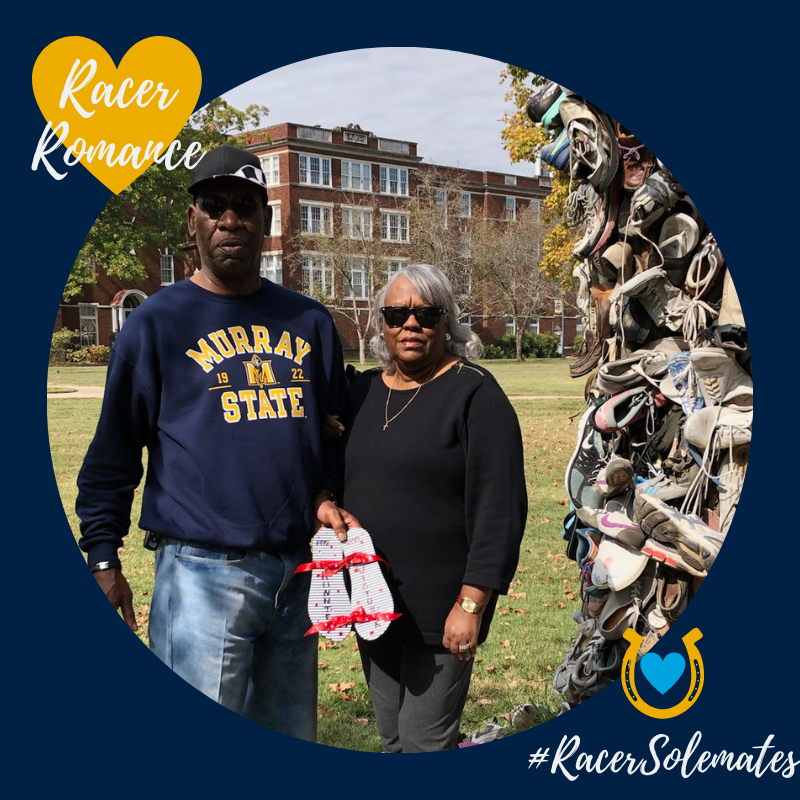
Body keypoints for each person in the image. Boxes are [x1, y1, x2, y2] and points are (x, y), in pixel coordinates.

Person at [76, 145, 358, 741]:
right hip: (200, 572)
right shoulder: (156, 323)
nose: (231, 220)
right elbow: (113, 452)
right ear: (192, 221)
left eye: (245, 207)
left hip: (297, 572)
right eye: (215, 207)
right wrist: (103, 556)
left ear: (268, 220)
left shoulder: (309, 323)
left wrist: (327, 488)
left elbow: (333, 429)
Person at [340, 264, 527, 752]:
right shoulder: (361, 392)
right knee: (393, 739)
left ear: (447, 322)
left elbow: (500, 508)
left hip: (442, 608)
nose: (411, 324)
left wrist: (471, 603)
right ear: (381, 322)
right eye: (397, 313)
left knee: (426, 740)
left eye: (426, 313)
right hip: (373, 599)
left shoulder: (474, 393)